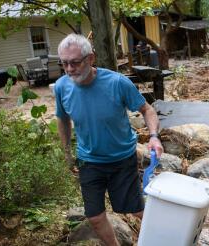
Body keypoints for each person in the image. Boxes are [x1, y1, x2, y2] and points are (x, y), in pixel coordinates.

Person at [54, 33, 163, 246]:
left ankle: (169, 236)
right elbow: (63, 119)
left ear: (91, 58)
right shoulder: (61, 87)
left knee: (136, 210)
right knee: (94, 216)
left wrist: (154, 137)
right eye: (64, 63)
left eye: (75, 63)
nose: (69, 69)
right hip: (89, 161)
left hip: (122, 159)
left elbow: (147, 110)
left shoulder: (117, 82)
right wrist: (66, 153)